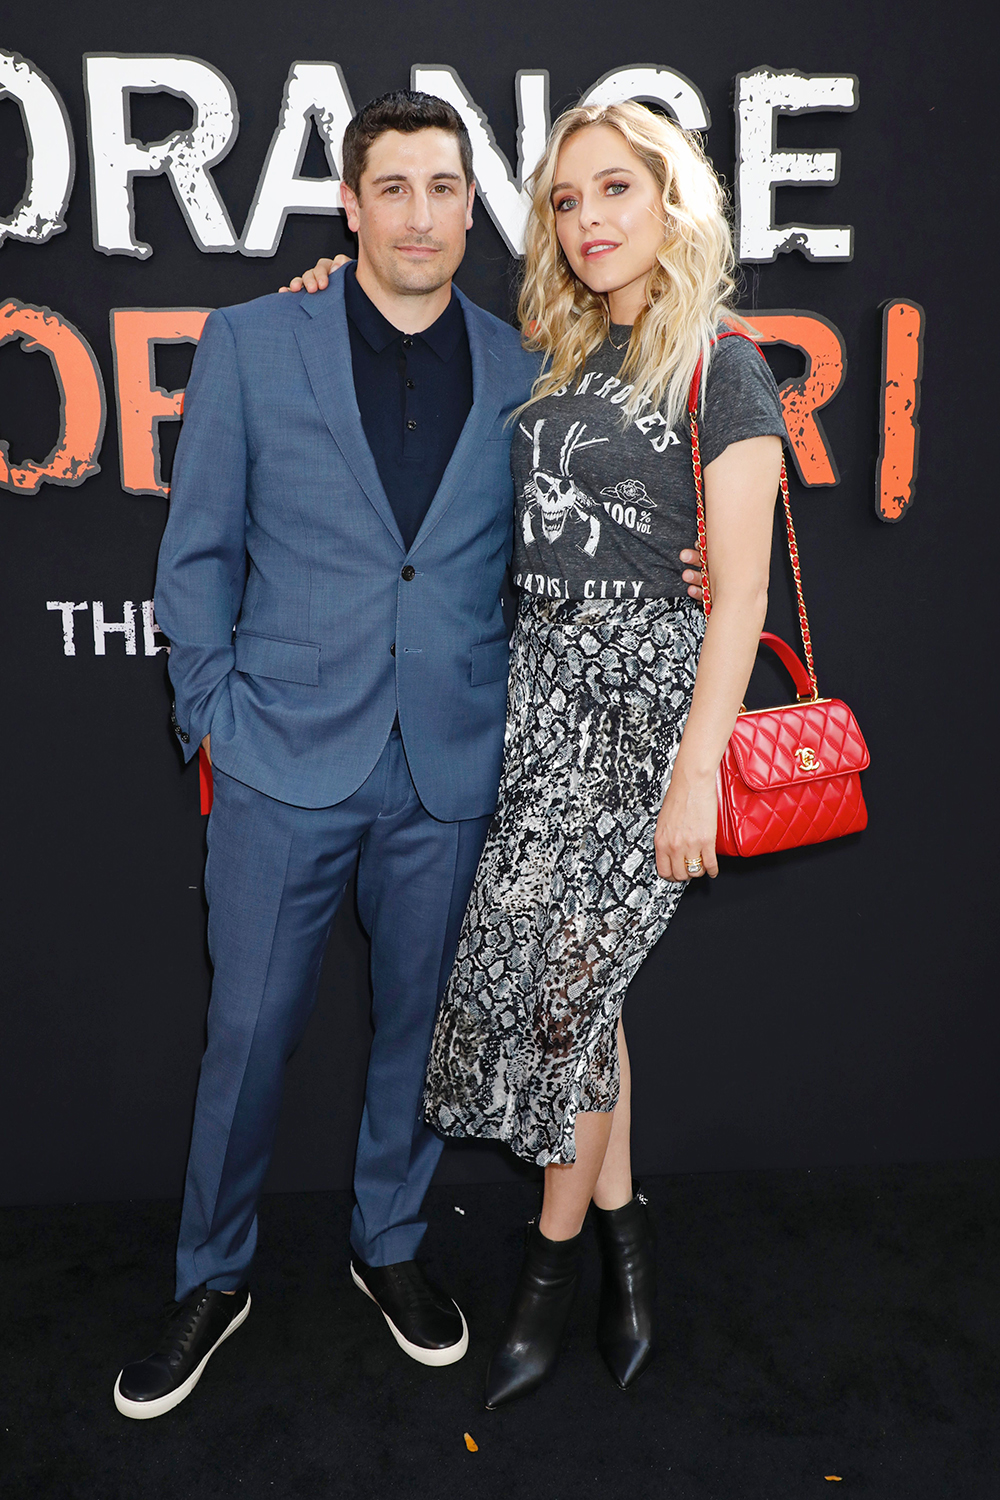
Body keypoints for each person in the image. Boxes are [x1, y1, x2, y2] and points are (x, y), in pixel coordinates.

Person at [115, 89, 705, 1421]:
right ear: (352, 203)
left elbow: (589, 523)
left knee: (415, 1042)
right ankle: (213, 1275)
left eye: (446, 187)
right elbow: (197, 548)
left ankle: (389, 1245)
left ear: (469, 206)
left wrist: (693, 551)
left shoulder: (526, 369)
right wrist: (209, 709)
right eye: (395, 188)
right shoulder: (254, 341)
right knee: (248, 1035)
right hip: (280, 757)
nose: (422, 215)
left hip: (449, 764)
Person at [421, 101, 787, 1408]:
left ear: (672, 199)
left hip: (652, 720)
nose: (589, 222)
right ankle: (632, 1251)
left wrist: (697, 773)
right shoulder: (557, 355)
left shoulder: (723, 361)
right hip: (546, 702)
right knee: (579, 1006)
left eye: (615, 190)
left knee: (570, 999)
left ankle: (550, 1269)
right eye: (567, 201)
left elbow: (738, 595)